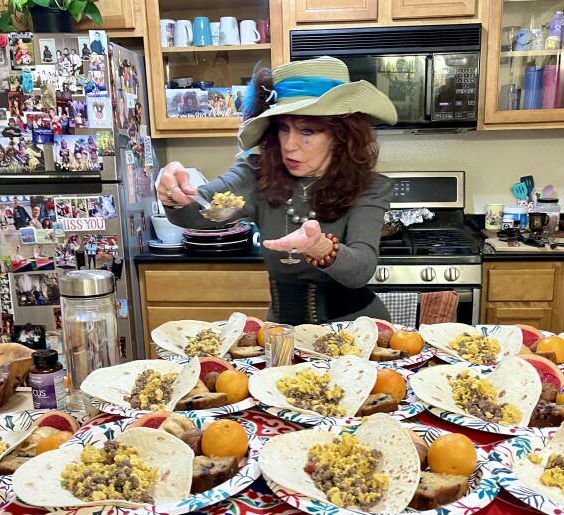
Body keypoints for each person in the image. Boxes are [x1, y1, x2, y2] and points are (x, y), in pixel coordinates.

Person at [157, 57, 398, 324]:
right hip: (281, 334)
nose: (290, 145)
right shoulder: (255, 174)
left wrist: (321, 248)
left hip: (352, 332)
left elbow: (361, 270)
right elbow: (193, 214)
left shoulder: (370, 187)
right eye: (284, 128)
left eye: (307, 130)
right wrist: (174, 191)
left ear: (340, 136)